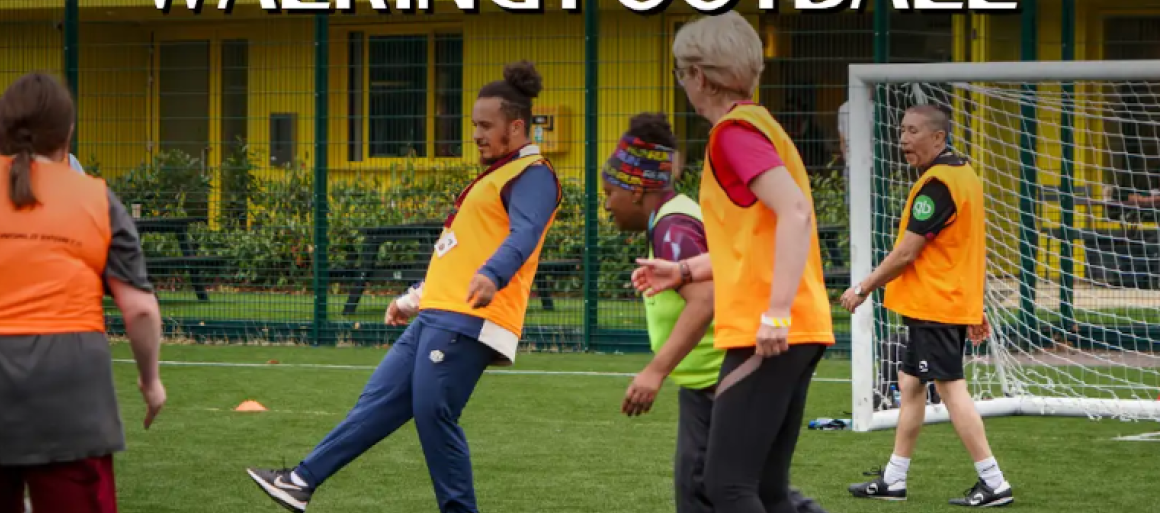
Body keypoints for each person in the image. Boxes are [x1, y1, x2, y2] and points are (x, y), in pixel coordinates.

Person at [245, 60, 562, 513]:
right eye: (474, 124)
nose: (475, 134)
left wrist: (493, 275)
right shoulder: (496, 175)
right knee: (377, 404)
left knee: (435, 415)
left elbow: (525, 234)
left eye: (486, 126)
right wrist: (413, 297)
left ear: (516, 126)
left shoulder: (533, 175)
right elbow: (457, 253)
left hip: (471, 318)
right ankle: (299, 481)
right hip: (439, 313)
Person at [632, 13, 836, 513]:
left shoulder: (732, 135)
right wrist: (684, 271)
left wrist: (776, 314)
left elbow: (793, 211)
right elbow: (755, 245)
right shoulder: (760, 126)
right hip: (796, 330)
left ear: (699, 76)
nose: (682, 85)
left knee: (724, 484)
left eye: (681, 73)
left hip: (768, 333)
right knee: (765, 490)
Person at [607, 113, 828, 513]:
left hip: (716, 378)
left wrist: (655, 370)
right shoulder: (675, 217)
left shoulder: (673, 227)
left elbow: (705, 300)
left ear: (636, 190)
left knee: (716, 491)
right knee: (759, 491)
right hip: (713, 375)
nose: (607, 204)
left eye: (610, 192)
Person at [0, 72, 166, 513]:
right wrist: (150, 382)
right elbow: (139, 311)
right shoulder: (95, 198)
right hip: (72, 390)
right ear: (67, 134)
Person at [839, 104, 1012, 508]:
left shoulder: (937, 185)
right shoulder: (963, 174)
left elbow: (906, 254)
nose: (904, 139)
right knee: (911, 384)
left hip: (937, 305)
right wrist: (974, 304)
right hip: (941, 303)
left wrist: (863, 287)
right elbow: (965, 248)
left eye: (913, 131)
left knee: (950, 388)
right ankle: (894, 479)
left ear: (938, 138)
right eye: (902, 130)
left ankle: (994, 481)